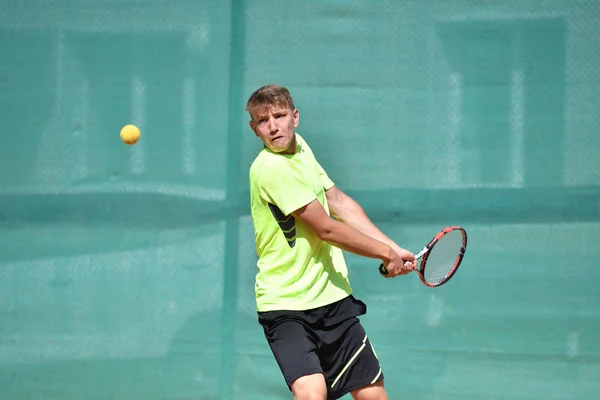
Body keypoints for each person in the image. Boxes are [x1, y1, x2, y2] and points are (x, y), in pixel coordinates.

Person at [246, 84, 415, 400]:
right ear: (254, 129)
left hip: (332, 298)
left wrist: (391, 246)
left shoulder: (303, 150)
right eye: (263, 120)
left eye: (279, 116)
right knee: (312, 393)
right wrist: (383, 253)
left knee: (373, 396)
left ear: (295, 117)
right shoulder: (270, 169)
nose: (273, 126)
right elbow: (326, 228)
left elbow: (338, 202)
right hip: (285, 305)